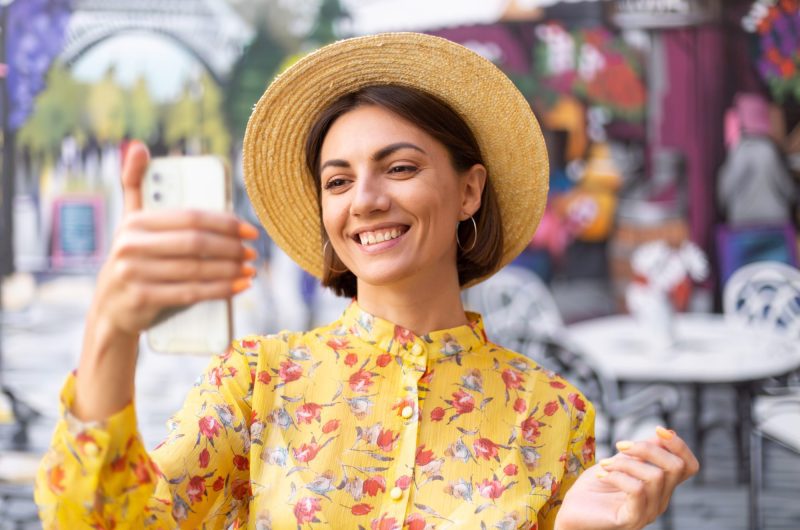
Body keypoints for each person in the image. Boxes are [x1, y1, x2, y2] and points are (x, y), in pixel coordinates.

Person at [34, 33, 698, 529]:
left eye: (400, 168)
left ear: (470, 190)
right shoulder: (255, 384)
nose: (366, 199)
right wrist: (111, 329)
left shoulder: (554, 413)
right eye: (339, 180)